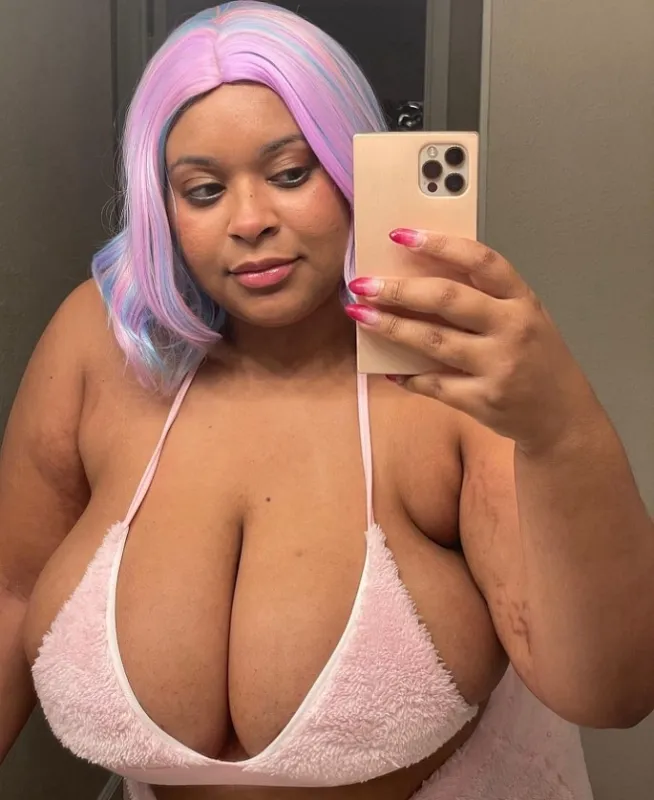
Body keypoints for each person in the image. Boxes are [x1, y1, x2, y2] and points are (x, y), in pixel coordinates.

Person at [0, 3, 652, 799]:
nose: (250, 222)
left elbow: (611, 693)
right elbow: (13, 593)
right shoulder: (97, 345)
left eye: (290, 173)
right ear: (160, 208)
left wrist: (561, 429)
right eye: (203, 190)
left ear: (353, 170)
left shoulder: (447, 367)